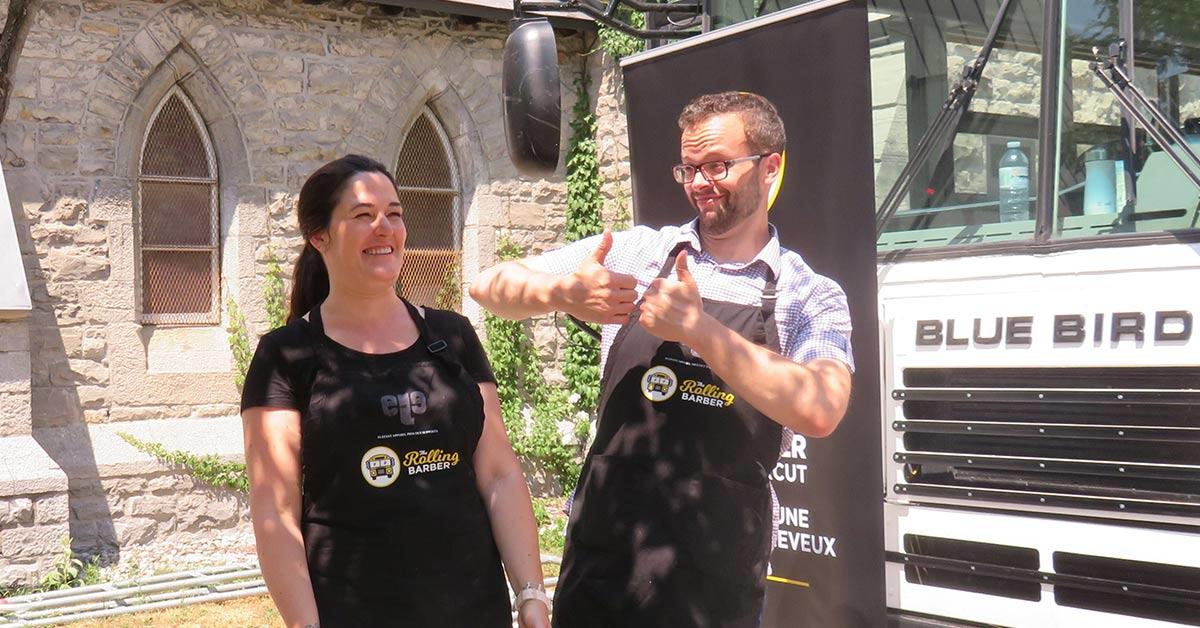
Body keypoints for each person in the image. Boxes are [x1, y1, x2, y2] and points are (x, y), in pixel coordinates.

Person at [470, 92, 854, 627]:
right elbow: (488, 285)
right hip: (602, 572)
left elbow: (822, 407)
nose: (699, 183)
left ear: (769, 168)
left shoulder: (808, 294)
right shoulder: (641, 253)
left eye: (717, 165)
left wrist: (699, 329)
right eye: (688, 169)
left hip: (713, 590)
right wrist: (559, 294)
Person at [241, 155, 551, 628]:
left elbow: (498, 474)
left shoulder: (453, 337)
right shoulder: (286, 355)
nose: (384, 227)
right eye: (363, 215)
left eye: (394, 213)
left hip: (473, 610)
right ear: (319, 237)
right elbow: (276, 511)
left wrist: (531, 594)